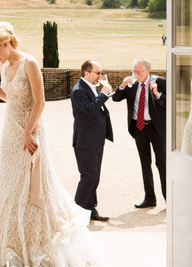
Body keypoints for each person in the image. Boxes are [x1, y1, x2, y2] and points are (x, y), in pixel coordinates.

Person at [0, 22, 95, 267]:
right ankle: (11, 240)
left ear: (6, 44)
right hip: (10, 129)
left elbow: (40, 102)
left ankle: (38, 239)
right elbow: (10, 97)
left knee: (33, 182)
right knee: (10, 182)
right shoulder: (4, 64)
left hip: (31, 128)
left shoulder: (30, 63)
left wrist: (29, 131)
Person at [111, 57, 167, 208]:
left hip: (157, 129)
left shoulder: (160, 82)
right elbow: (116, 98)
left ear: (148, 71)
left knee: (162, 163)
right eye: (133, 71)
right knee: (145, 163)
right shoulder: (131, 84)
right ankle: (150, 198)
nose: (135, 74)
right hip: (139, 127)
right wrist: (122, 85)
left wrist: (156, 93)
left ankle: (170, 199)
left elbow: (171, 103)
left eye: (138, 71)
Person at [69, 60, 114, 223]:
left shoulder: (89, 87)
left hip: (95, 139)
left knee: (94, 177)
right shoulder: (78, 90)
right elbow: (89, 109)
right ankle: (77, 213)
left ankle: (91, 209)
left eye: (101, 73)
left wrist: (102, 95)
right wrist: (104, 94)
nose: (100, 76)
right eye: (98, 73)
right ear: (86, 73)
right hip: (86, 141)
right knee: (88, 177)